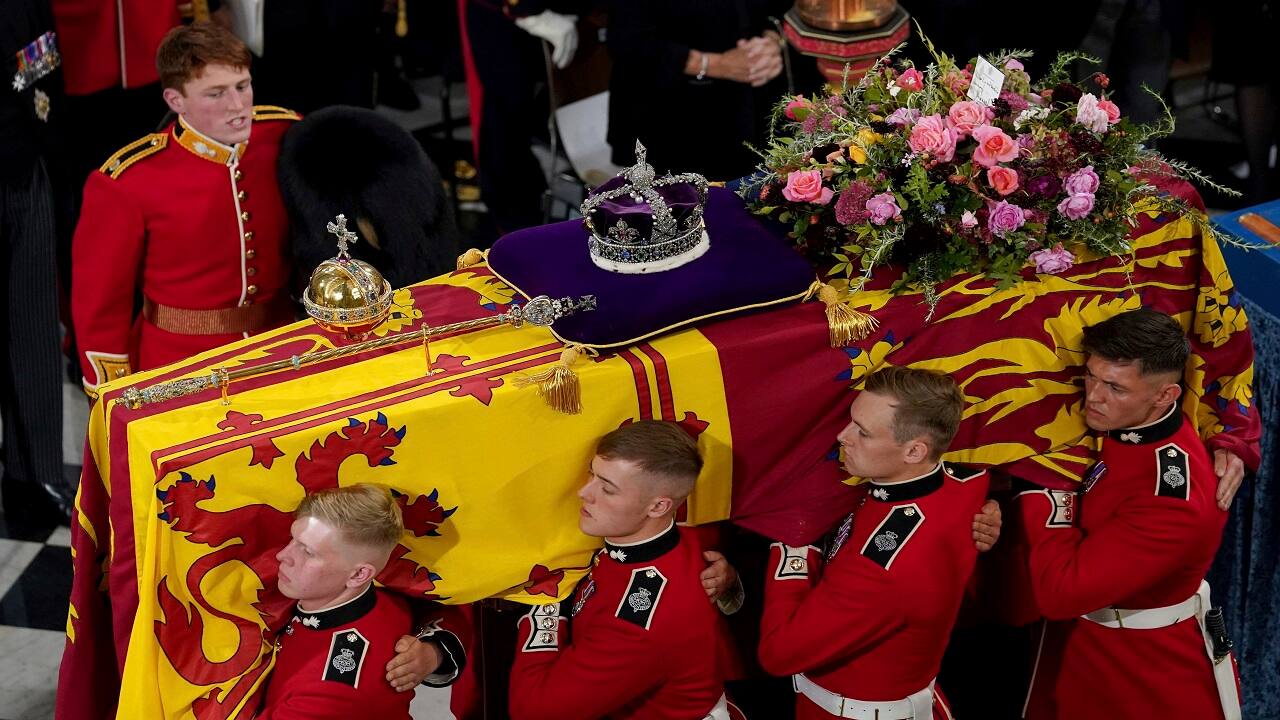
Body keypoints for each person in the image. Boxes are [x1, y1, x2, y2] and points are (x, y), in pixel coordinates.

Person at [1013, 308, 1241, 720]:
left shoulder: (1171, 501)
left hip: (1140, 678)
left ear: (1166, 395)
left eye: (1115, 388)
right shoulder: (1136, 426)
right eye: (1092, 377)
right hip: (1086, 648)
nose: (1094, 396)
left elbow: (1061, 593)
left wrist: (1044, 485)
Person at [70, 22, 297, 397]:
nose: (238, 106)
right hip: (180, 368)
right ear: (176, 101)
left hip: (283, 350)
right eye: (216, 94)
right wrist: (114, 395)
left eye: (243, 86)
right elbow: (99, 308)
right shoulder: (126, 182)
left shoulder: (283, 135)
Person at [758, 366, 990, 719]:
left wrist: (793, 542)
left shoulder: (881, 569)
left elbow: (778, 653)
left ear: (914, 451)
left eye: (863, 433)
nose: (842, 435)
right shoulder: (967, 484)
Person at [508, 420, 739, 720]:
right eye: (592, 474)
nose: (584, 493)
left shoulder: (636, 624)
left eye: (607, 489)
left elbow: (535, 712)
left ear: (658, 507)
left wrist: (544, 601)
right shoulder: (684, 539)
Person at [258, 483, 467, 718]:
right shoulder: (390, 598)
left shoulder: (332, 692)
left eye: (308, 552)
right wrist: (435, 649)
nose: (282, 556)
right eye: (292, 539)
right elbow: (438, 609)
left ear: (359, 575)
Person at [606, 0, 791, 180]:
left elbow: (779, 9)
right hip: (672, 121)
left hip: (757, 109)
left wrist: (772, 40)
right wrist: (712, 64)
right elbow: (627, 40)